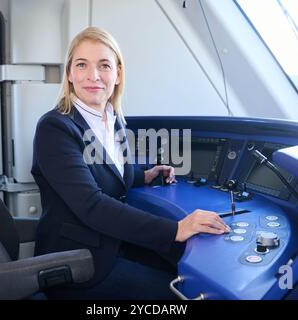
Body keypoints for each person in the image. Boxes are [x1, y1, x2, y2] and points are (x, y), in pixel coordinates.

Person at [31, 26, 230, 299]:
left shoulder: (114, 122)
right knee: (181, 294)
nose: (93, 76)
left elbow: (108, 174)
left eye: (104, 65)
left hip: (111, 241)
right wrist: (176, 228)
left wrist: (145, 175)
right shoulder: (55, 128)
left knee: (182, 269)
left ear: (118, 73)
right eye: (82, 65)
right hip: (79, 260)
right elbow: (92, 205)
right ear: (69, 74)